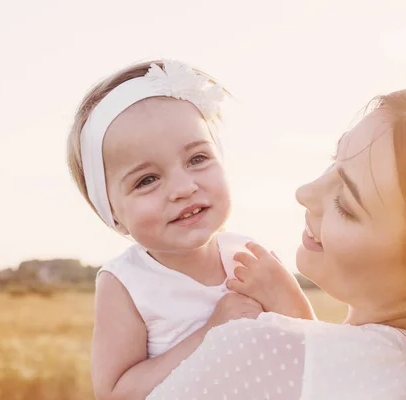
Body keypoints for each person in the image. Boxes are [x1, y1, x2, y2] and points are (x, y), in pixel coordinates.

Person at [148, 87, 406, 399]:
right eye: (334, 161)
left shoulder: (255, 349)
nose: (305, 193)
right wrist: (296, 314)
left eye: (346, 204)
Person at [66, 60, 305, 399]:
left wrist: (287, 297)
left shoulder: (250, 255)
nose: (182, 187)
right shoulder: (127, 282)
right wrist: (211, 333)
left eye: (197, 159)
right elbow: (116, 393)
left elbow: (315, 355)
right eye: (147, 180)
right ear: (112, 212)